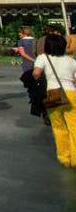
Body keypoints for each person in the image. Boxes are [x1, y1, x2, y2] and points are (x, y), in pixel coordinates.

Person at [32, 33, 76, 167]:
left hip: (53, 94)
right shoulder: (71, 60)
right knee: (74, 127)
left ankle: (65, 158)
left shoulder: (43, 57)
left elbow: (36, 73)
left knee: (58, 127)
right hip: (71, 93)